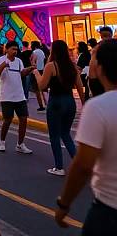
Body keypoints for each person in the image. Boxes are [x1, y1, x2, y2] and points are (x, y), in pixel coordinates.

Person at [54, 39, 117, 235]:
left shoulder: (98, 107)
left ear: (99, 67)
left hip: (109, 209)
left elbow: (82, 165)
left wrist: (64, 204)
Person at [33, 40, 85, 176]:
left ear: (53, 51)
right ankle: (78, 165)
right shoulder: (73, 66)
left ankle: (59, 167)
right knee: (66, 134)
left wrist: (36, 74)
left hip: (56, 102)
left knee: (54, 136)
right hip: (70, 102)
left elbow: (42, 86)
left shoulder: (51, 66)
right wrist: (84, 105)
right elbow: (80, 88)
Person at [0, 41, 35, 154]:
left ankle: (20, 144)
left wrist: (29, 69)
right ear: (6, 49)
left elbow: (21, 73)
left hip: (19, 95)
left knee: (23, 119)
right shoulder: (1, 60)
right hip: (6, 96)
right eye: (12, 49)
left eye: (16, 49)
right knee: (7, 119)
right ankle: (2, 141)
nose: (15, 51)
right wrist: (4, 65)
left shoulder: (19, 61)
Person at [88, 26, 113, 98]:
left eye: (106, 36)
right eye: (104, 36)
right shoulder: (97, 50)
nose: (105, 39)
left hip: (99, 83)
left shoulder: (96, 49)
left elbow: (91, 73)